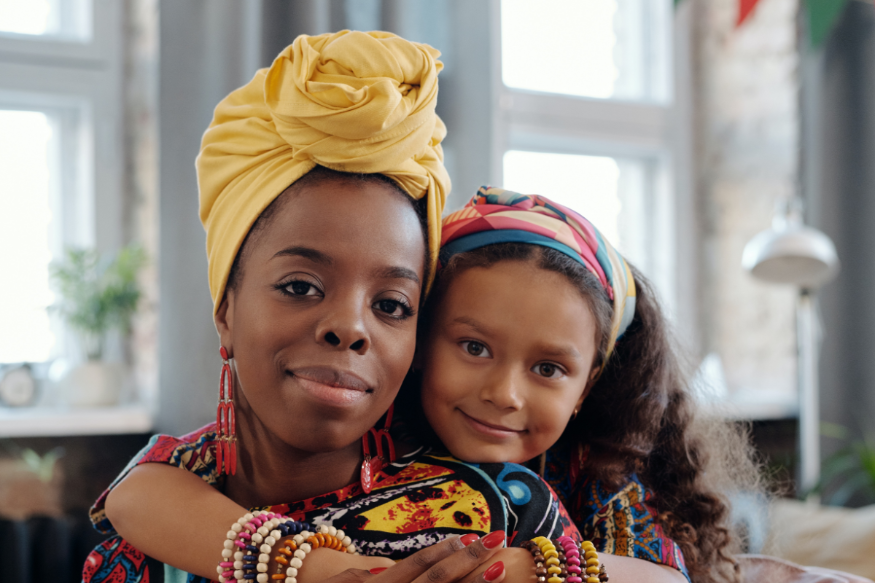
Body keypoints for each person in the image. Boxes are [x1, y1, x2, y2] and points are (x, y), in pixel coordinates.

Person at [82, 32, 577, 583]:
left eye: (391, 304)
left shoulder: (497, 520)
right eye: (301, 287)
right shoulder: (145, 530)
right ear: (226, 308)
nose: (349, 327)